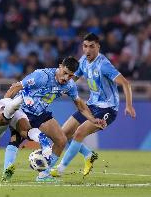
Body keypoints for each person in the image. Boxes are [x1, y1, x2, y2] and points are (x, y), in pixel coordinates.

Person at [2, 56, 106, 182]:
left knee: (61, 140)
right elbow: (16, 87)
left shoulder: (70, 86)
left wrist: (93, 119)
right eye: (65, 73)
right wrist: (3, 107)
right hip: (22, 111)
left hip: (40, 114)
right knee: (16, 139)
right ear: (60, 66)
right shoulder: (42, 76)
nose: (66, 78)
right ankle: (6, 172)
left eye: (70, 75)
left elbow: (80, 105)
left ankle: (44, 174)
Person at [50, 33, 136, 177]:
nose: (87, 50)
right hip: (91, 105)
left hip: (108, 108)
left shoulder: (104, 65)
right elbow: (73, 78)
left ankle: (60, 169)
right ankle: (88, 155)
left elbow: (126, 83)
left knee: (79, 133)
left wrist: (129, 105)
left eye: (91, 46)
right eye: (85, 46)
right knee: (63, 135)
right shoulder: (83, 61)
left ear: (98, 47)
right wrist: (60, 87)